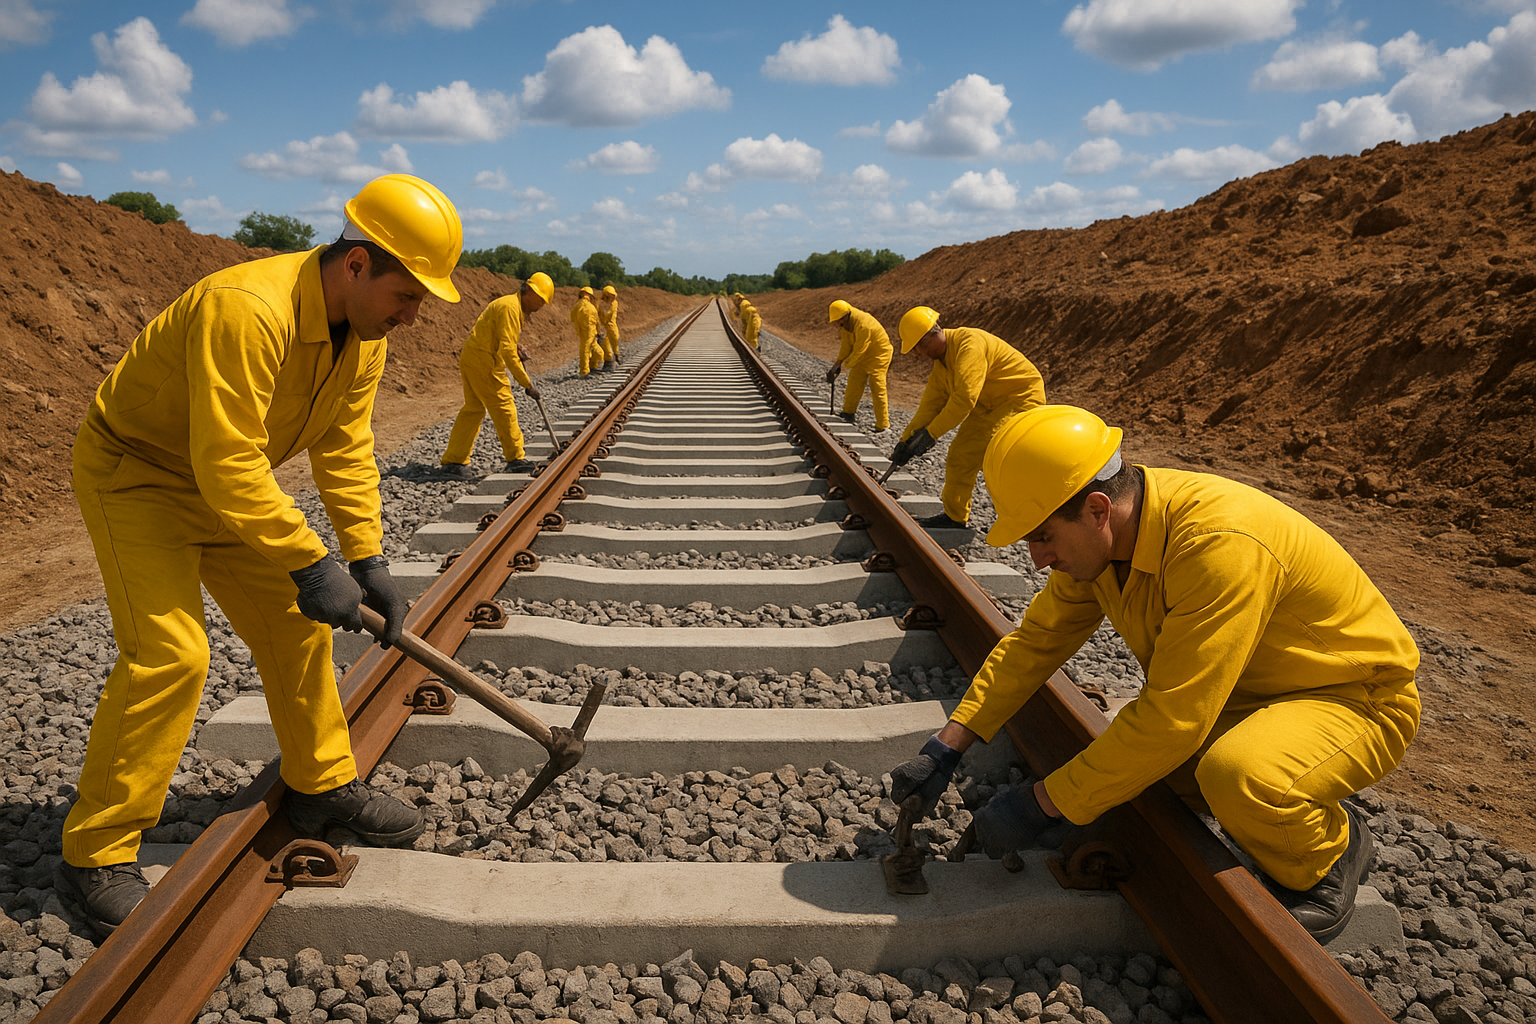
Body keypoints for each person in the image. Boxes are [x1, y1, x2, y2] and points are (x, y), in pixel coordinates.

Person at [55, 173, 463, 936]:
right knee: (170, 656)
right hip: (138, 476)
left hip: (227, 484)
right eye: (407, 295)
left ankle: (321, 784)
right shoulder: (245, 309)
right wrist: (311, 562)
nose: (413, 316)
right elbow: (228, 462)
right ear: (356, 264)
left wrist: (365, 558)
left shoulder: (363, 338)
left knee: (295, 625)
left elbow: (345, 446)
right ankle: (95, 853)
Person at [888, 404, 1420, 943]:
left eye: (1043, 537)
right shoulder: (1104, 545)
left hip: (1353, 697)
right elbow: (1035, 643)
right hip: (1243, 692)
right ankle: (1278, 794)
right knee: (1142, 776)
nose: (1038, 558)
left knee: (1239, 777)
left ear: (1098, 508)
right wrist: (947, 746)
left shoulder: (1216, 544)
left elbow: (1173, 720)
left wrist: (1039, 805)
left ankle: (1332, 857)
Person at [887, 305, 1045, 530]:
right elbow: (929, 408)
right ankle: (955, 517)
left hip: (1018, 398)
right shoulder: (942, 366)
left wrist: (930, 434)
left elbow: (964, 399)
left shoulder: (969, 344)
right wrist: (905, 442)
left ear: (928, 338)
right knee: (960, 454)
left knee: (995, 456)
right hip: (987, 404)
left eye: (917, 349)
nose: (918, 356)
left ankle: (1030, 516)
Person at [439, 272, 553, 477]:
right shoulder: (510, 308)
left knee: (473, 410)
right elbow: (507, 352)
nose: (541, 307)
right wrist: (527, 384)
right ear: (531, 292)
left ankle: (454, 460)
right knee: (504, 406)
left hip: (473, 357)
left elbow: (502, 338)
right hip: (484, 362)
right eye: (541, 301)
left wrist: (517, 346)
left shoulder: (511, 305)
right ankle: (515, 458)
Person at [825, 299, 892, 430]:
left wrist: (844, 366)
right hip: (862, 355)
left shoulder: (864, 325)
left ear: (845, 317)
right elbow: (846, 346)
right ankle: (848, 413)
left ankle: (883, 425)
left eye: (839, 323)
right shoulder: (847, 325)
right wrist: (837, 363)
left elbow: (860, 349)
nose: (838, 326)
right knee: (854, 383)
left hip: (878, 355)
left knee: (877, 388)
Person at [571, 285, 601, 375]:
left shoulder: (577, 305)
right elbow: (597, 321)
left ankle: (589, 368)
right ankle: (586, 370)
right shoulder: (592, 307)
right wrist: (598, 331)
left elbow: (572, 317)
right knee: (589, 350)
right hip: (591, 332)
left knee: (586, 350)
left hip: (582, 331)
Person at [598, 284, 621, 367]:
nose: (612, 297)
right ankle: (608, 361)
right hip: (602, 326)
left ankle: (616, 354)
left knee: (615, 338)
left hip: (611, 325)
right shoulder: (599, 303)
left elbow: (610, 314)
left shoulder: (614, 303)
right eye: (610, 296)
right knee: (605, 343)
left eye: (612, 296)